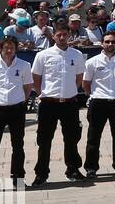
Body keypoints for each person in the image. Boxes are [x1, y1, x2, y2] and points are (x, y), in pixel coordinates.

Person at [31, 22, 87, 185]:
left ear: (69, 35)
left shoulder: (76, 54)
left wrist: (70, 91)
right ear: (53, 36)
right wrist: (41, 93)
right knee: (44, 140)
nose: (62, 37)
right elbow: (36, 77)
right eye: (58, 35)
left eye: (64, 34)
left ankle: (73, 169)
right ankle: (41, 173)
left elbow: (79, 77)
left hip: (69, 103)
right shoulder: (43, 55)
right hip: (49, 103)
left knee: (71, 138)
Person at [0, 37, 35, 191]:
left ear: (16, 48)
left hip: (16, 109)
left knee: (18, 145)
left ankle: (18, 179)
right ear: (1, 49)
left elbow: (28, 87)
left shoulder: (24, 65)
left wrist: (21, 101)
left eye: (12, 48)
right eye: (6, 48)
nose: (9, 51)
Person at [83, 33, 115, 177]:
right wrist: (91, 95)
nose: (110, 44)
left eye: (113, 42)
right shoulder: (92, 62)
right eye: (107, 42)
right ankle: (91, 167)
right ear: (102, 43)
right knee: (93, 136)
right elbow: (86, 83)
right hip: (98, 102)